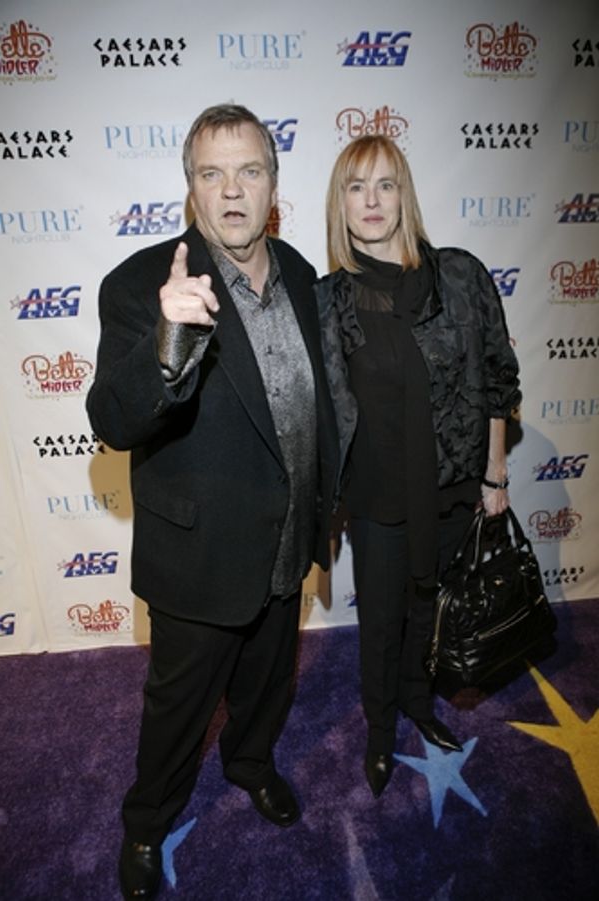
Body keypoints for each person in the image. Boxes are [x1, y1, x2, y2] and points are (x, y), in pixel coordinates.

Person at [86, 104, 339, 900]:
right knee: (177, 709)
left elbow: (319, 400)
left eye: (250, 170)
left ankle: (252, 762)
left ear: (273, 181)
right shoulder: (139, 285)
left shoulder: (300, 271)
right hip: (198, 556)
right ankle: (146, 821)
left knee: (269, 683)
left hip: (286, 537)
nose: (232, 191)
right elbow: (112, 420)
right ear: (189, 187)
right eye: (211, 173)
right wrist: (167, 340)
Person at [316, 135, 521, 798]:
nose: (371, 201)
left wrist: (495, 474)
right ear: (339, 204)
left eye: (384, 184)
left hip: (454, 484)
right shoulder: (329, 300)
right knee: (379, 619)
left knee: (429, 607)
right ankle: (379, 731)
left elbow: (497, 375)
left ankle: (418, 703)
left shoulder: (460, 275)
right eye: (356, 186)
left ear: (404, 193)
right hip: (376, 495)